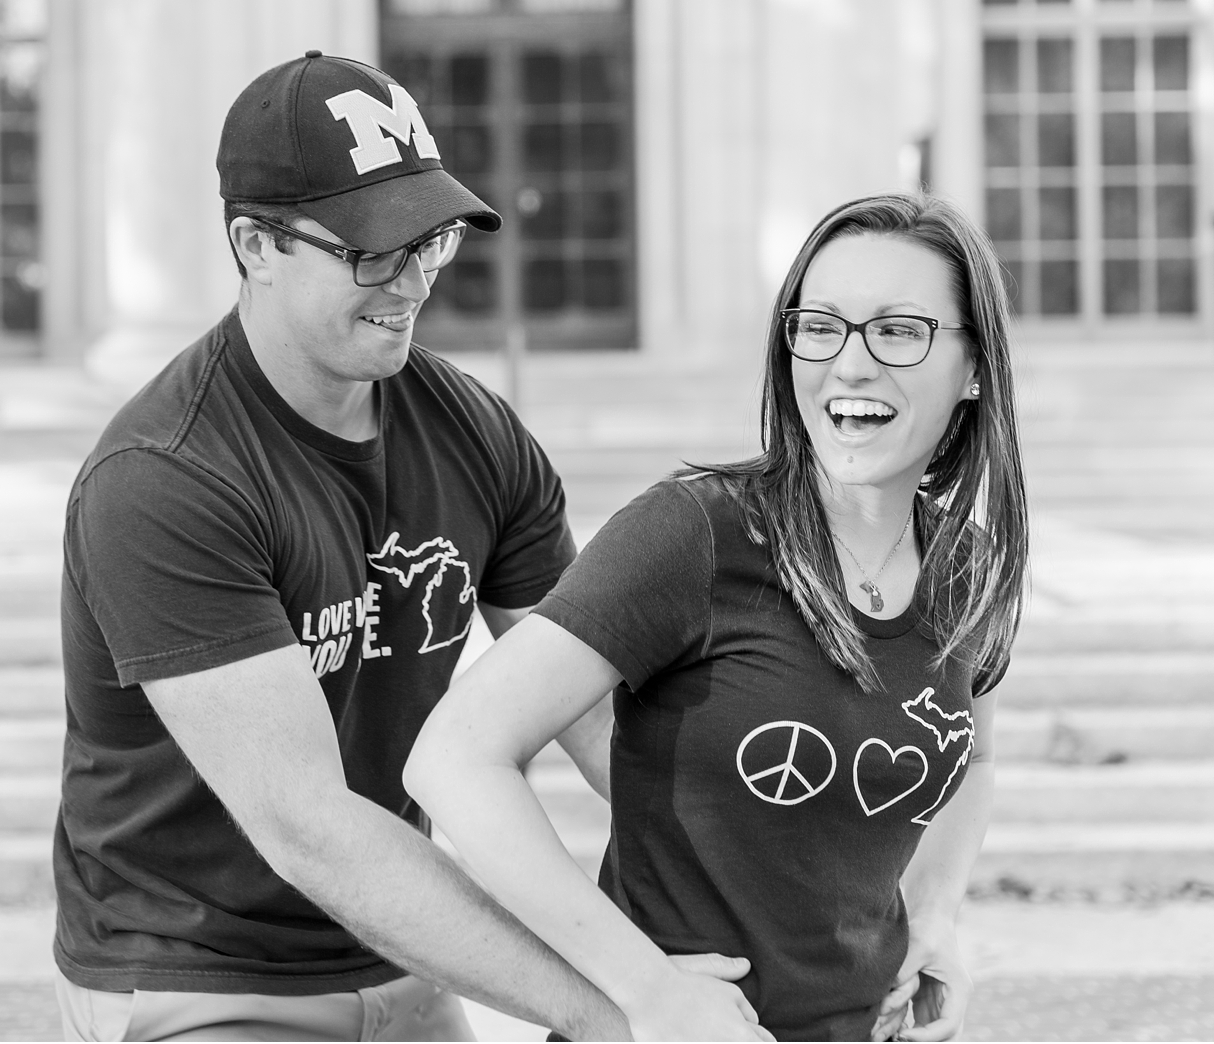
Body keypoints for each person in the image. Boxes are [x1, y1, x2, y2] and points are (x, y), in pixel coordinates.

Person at [49, 51, 755, 1042]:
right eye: (373, 252)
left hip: (401, 961)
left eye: (429, 242)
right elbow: (310, 829)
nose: (413, 283)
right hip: (199, 979)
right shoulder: (165, 479)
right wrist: (619, 1000)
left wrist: (798, 926)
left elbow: (603, 722)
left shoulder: (475, 434)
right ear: (254, 244)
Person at [406, 193, 1029, 1042]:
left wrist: (937, 914)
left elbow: (977, 755)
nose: (850, 364)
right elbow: (453, 758)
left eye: (899, 330)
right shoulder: (695, 532)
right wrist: (637, 985)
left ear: (974, 366)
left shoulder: (972, 565)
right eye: (821, 326)